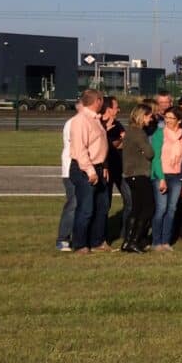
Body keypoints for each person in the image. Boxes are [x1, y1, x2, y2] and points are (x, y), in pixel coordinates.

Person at [68, 89, 111, 254]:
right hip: (85, 168)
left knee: (102, 207)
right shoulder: (81, 120)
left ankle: (97, 241)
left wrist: (104, 165)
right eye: (102, 100)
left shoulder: (95, 119)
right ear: (97, 101)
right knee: (86, 208)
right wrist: (90, 171)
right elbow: (80, 149)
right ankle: (80, 244)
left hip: (99, 166)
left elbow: (99, 145)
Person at [150, 107, 182, 251]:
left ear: (179, 120)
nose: (168, 120)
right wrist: (161, 178)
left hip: (176, 176)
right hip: (162, 175)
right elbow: (156, 158)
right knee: (161, 208)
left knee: (172, 209)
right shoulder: (160, 133)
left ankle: (166, 241)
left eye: (171, 118)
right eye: (166, 117)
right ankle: (156, 242)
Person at [120, 103, 155, 253]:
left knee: (136, 208)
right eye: (149, 116)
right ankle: (134, 240)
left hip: (130, 174)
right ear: (142, 116)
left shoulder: (130, 131)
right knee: (148, 207)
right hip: (139, 173)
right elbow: (150, 153)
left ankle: (127, 241)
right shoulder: (139, 133)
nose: (151, 119)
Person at [101, 96, 129, 243]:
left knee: (130, 200)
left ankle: (126, 233)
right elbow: (115, 144)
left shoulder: (117, 124)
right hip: (106, 169)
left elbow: (125, 142)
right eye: (116, 107)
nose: (118, 109)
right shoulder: (99, 124)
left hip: (119, 168)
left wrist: (120, 141)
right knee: (105, 204)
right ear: (108, 109)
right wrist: (119, 141)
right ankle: (102, 237)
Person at [56, 112, 76, 251]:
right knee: (74, 203)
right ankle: (63, 238)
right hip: (71, 169)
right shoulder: (73, 123)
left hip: (85, 169)